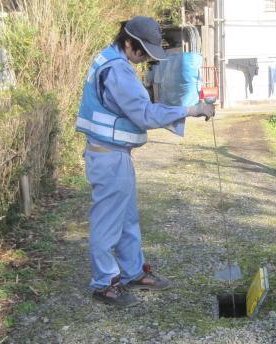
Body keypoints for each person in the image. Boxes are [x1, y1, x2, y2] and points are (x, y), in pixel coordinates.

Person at [76, 16, 214, 307]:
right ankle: (105, 284)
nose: (144, 59)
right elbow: (145, 114)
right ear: (128, 43)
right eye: (143, 52)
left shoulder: (112, 59)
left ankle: (132, 272)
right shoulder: (117, 71)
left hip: (114, 155)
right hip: (107, 157)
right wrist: (191, 109)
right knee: (107, 223)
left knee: (127, 220)